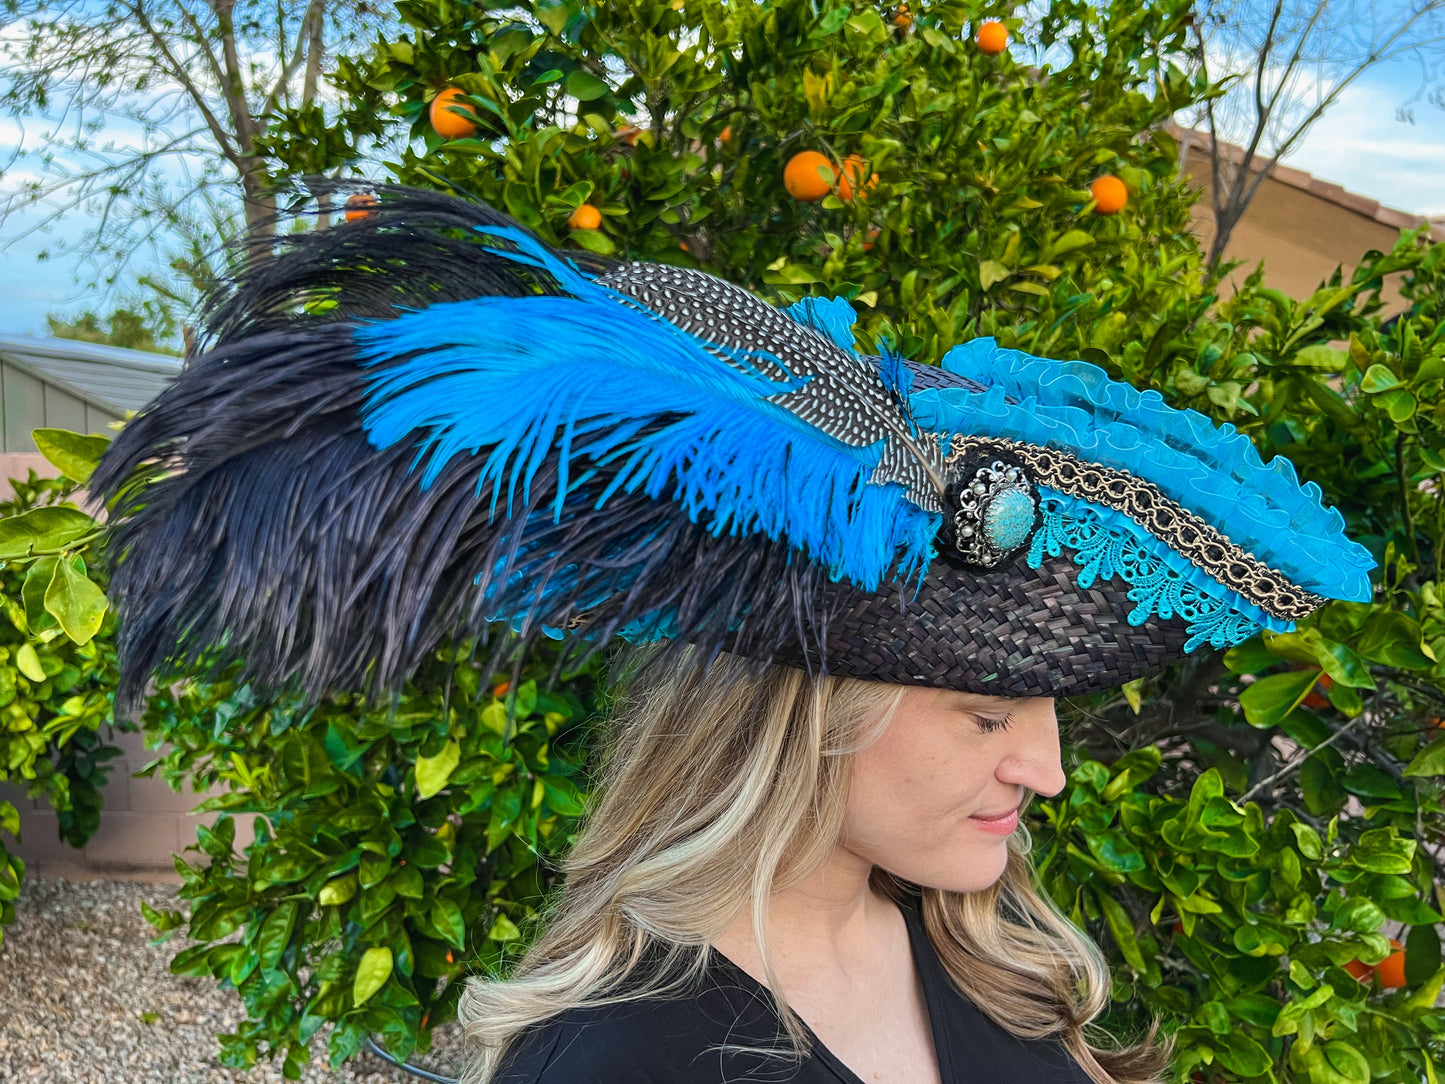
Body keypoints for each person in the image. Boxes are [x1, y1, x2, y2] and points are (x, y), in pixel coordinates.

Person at [88, 185, 1374, 1084]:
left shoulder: (983, 953)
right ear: (806, 719)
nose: (1043, 767)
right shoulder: (615, 1062)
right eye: (986, 713)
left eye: (1040, 716)